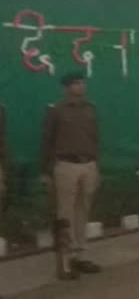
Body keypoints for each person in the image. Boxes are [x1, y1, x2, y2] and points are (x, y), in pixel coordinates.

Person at [41, 71, 102, 278]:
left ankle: (81, 256)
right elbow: (47, 141)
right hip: (66, 165)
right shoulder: (56, 111)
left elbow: (95, 138)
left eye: (82, 83)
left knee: (83, 213)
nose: (81, 87)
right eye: (76, 83)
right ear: (67, 87)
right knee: (64, 214)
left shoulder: (91, 108)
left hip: (88, 164)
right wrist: (45, 171)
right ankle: (64, 263)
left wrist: (96, 165)